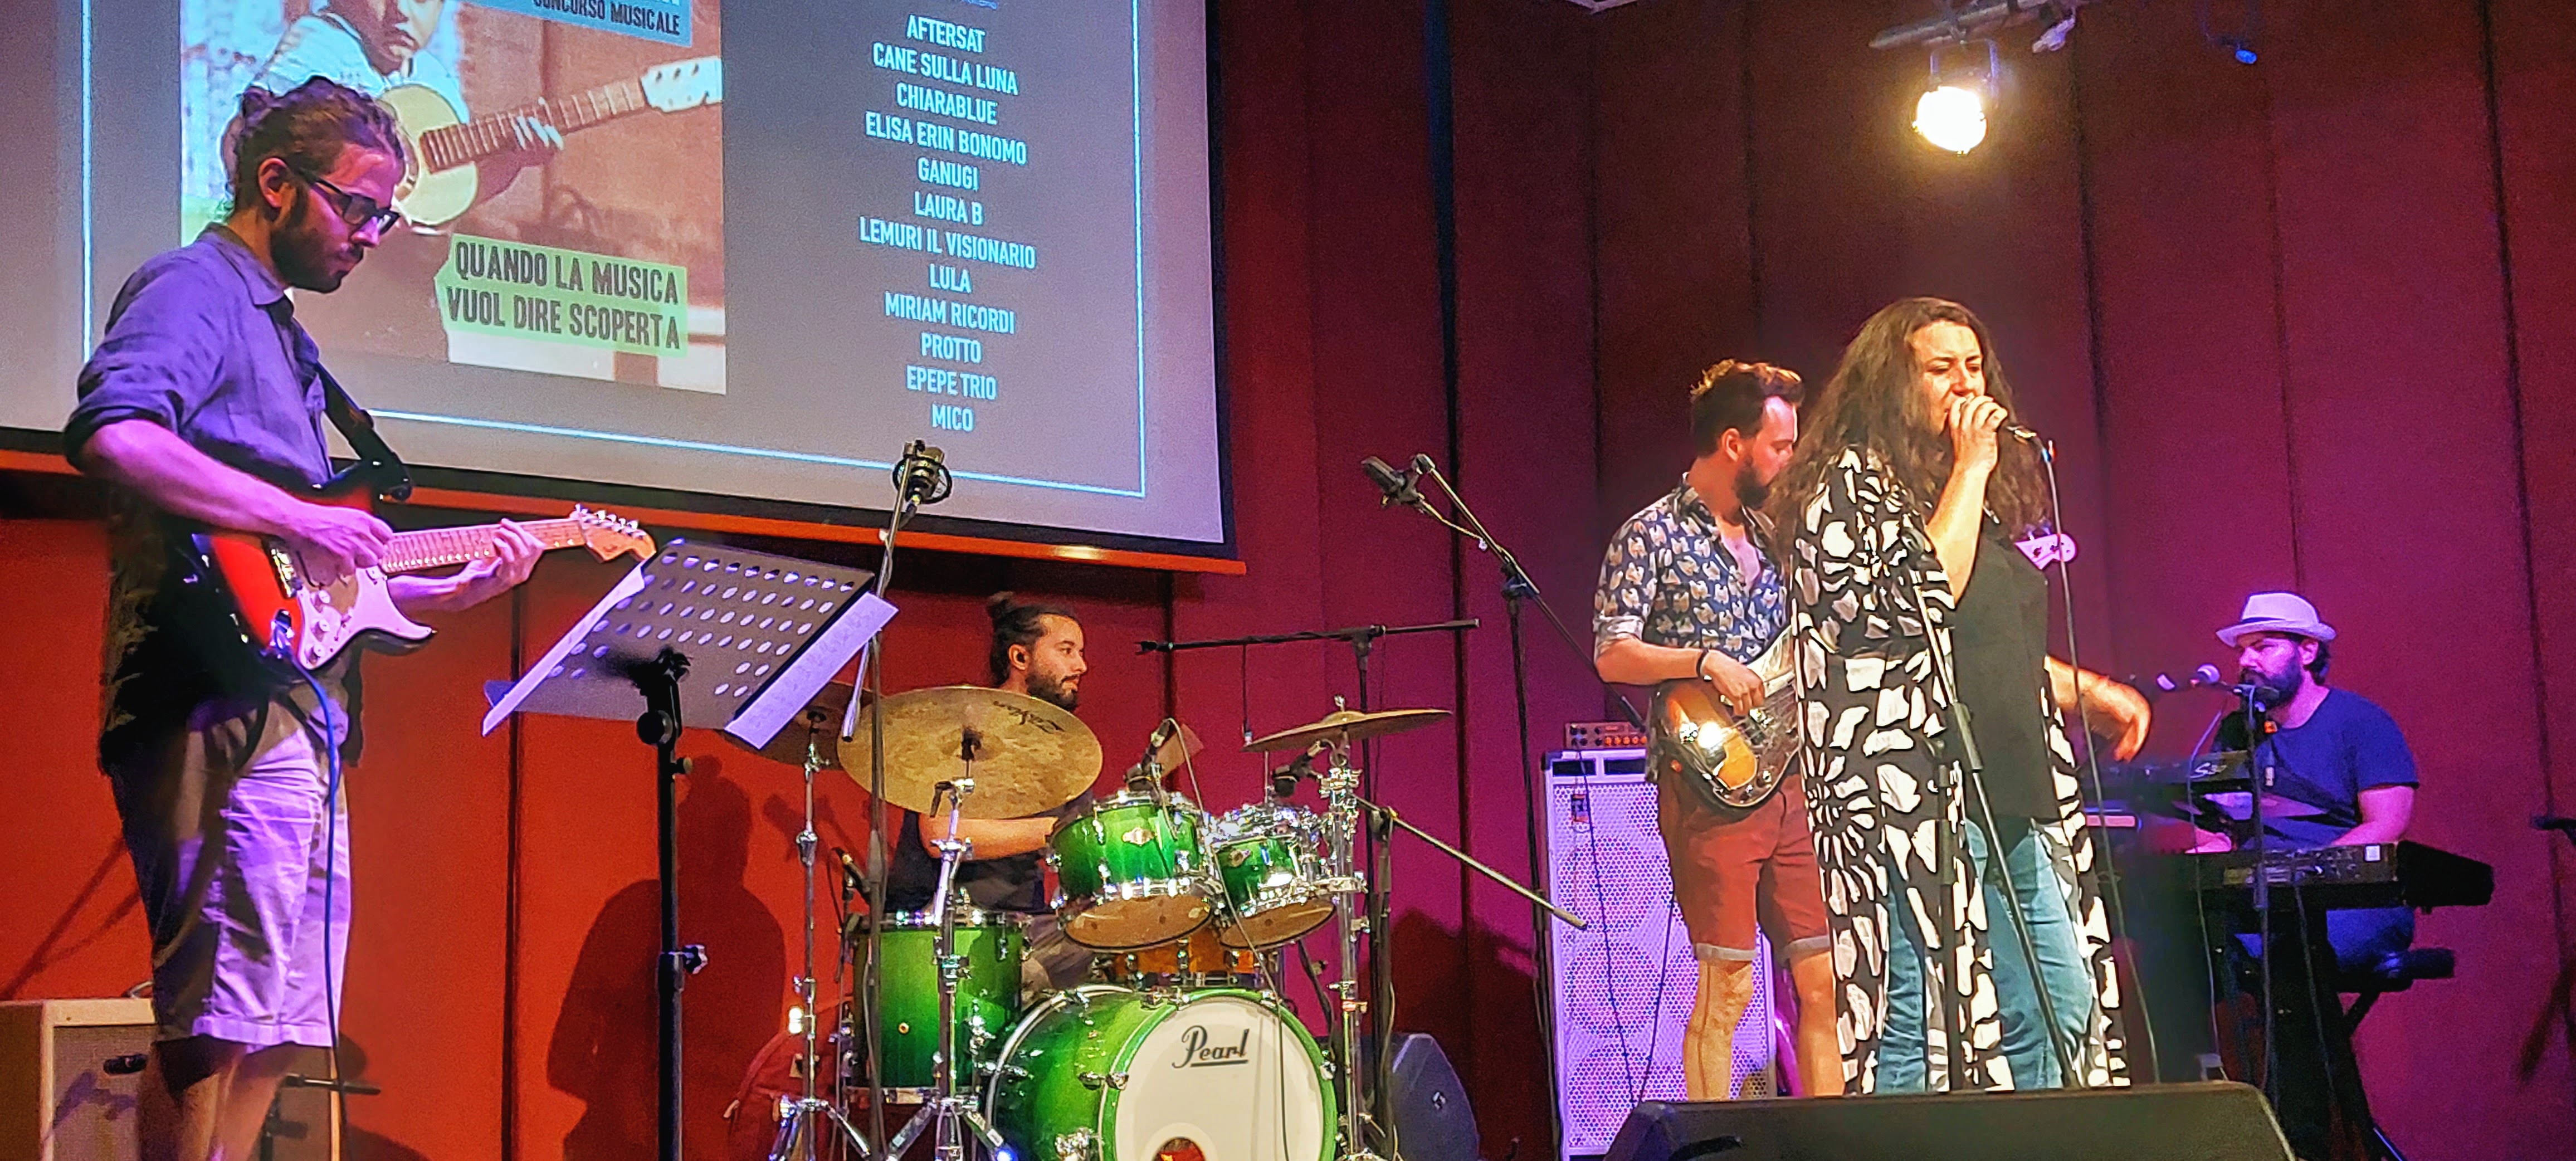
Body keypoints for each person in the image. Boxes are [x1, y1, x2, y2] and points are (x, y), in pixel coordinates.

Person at [65, 79, 542, 1161]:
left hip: (298, 705)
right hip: (213, 696)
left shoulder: (285, 338)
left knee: (283, 1017)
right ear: (274, 182)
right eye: (356, 207)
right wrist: (296, 512)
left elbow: (303, 580)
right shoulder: (194, 287)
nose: (371, 235)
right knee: (216, 1014)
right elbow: (116, 433)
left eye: (385, 217)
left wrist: (439, 594)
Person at [1768, 297, 2146, 1094]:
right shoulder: (1849, 485)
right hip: (1910, 787)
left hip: (2003, 778)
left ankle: (2041, 1148)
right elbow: (1921, 599)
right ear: (1890, 382)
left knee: (2059, 1003)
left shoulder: (1958, 493)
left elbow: (1982, 638)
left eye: (1974, 367)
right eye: (1940, 369)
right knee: (1916, 1021)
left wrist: (2087, 690)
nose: (1966, 385)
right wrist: (1973, 467)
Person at [1593, 360, 1842, 1099]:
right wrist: (1703, 660)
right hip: (1711, 789)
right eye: (1780, 445)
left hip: (1790, 780)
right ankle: (1715, 1140)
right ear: (1734, 443)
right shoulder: (1650, 535)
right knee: (1728, 987)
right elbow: (1612, 652)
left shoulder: (1776, 538)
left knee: (1822, 981)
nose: (1790, 460)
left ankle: (1835, 1144)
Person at [877, 594, 1097, 992]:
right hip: (943, 924)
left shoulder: (1069, 754)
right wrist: (1054, 831)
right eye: (1066, 651)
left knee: (1113, 943)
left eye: (1080, 653)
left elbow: (1081, 855)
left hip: (1027, 926)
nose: (1080, 665)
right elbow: (941, 834)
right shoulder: (962, 733)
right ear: (1020, 657)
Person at [2204, 592, 2418, 973]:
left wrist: (2306, 871)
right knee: (2183, 947)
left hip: (2351, 900)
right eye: (2242, 650)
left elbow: (2387, 824)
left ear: (2307, 651)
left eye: (2262, 648)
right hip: (2256, 897)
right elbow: (2214, 822)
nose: (2245, 661)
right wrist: (2211, 852)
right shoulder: (2237, 731)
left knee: (2289, 952)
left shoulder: (2362, 722)